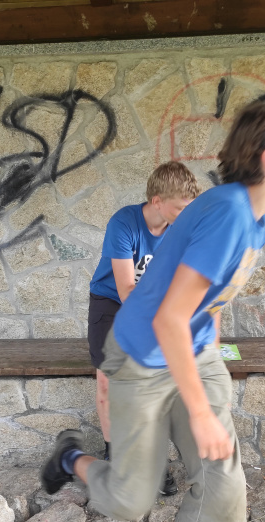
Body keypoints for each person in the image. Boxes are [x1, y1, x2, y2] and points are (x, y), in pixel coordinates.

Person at [42, 101, 265, 522]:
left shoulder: (259, 219)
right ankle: (71, 459)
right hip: (142, 357)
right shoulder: (229, 212)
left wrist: (210, 364)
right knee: (130, 499)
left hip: (193, 354)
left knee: (222, 488)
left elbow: (210, 303)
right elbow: (169, 318)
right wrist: (201, 412)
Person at [88, 161, 200, 496]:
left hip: (158, 308)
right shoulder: (124, 223)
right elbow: (126, 291)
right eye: (180, 208)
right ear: (157, 201)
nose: (186, 216)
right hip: (112, 303)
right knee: (108, 383)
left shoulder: (182, 230)